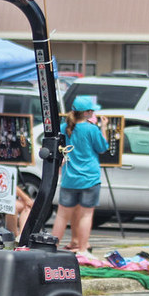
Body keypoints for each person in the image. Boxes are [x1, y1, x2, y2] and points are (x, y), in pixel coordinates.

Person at [51, 97, 108, 254]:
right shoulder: (91, 129)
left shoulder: (64, 127)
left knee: (62, 216)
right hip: (90, 178)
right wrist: (103, 128)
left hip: (69, 178)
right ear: (87, 113)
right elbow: (102, 147)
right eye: (92, 111)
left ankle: (52, 247)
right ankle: (83, 250)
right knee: (86, 215)